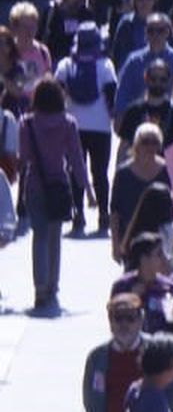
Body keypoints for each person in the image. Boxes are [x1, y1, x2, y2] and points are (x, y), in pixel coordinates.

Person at [20, 74, 88, 313]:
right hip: (59, 185)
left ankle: (39, 288)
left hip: (35, 185)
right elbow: (76, 159)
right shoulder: (68, 123)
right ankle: (52, 285)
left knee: (38, 237)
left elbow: (25, 157)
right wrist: (86, 188)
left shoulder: (27, 123)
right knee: (54, 238)